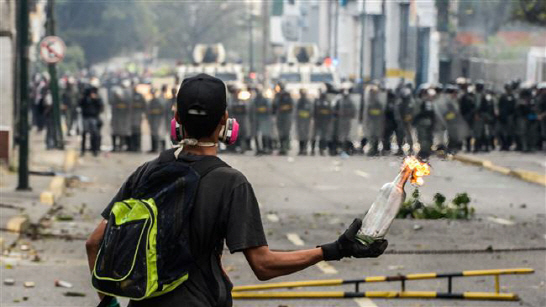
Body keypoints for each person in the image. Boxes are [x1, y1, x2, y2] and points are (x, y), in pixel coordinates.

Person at [85, 74, 388, 307]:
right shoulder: (231, 182)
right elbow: (263, 265)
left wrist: (109, 301)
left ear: (176, 121)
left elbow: (94, 243)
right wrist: (334, 250)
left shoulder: (146, 172)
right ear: (226, 124)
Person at [79, 86, 104, 156]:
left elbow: (101, 106)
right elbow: (80, 104)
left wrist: (95, 99)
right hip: (86, 117)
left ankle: (94, 149)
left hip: (94, 117)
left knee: (94, 134)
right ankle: (83, 150)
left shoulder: (97, 98)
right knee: (84, 133)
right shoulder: (85, 98)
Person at [273, 83, 294, 155]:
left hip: (283, 115)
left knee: (283, 132)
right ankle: (284, 147)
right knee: (284, 132)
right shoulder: (284, 95)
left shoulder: (282, 95)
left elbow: (275, 104)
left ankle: (284, 147)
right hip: (283, 115)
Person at [251, 86, 273, 155]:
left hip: (264, 119)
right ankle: (258, 149)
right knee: (256, 135)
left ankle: (265, 148)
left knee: (264, 134)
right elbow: (252, 110)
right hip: (256, 119)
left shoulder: (265, 100)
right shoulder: (254, 100)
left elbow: (268, 109)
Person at [311, 91, 333, 156]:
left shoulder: (328, 102)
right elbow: (313, 111)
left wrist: (329, 120)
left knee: (323, 137)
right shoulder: (316, 101)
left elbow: (330, 112)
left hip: (324, 122)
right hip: (317, 121)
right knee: (314, 136)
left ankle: (321, 150)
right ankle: (312, 150)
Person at [336, 89, 357, 155]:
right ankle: (341, 149)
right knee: (341, 135)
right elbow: (335, 109)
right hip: (341, 120)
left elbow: (353, 111)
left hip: (347, 120)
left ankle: (345, 149)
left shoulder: (350, 101)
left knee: (346, 135)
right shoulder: (339, 100)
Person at [497, 83, 517, 151]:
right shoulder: (502, 97)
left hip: (510, 116)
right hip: (503, 116)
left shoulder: (513, 97)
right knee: (501, 131)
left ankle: (508, 144)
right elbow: (499, 106)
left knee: (509, 132)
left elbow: (514, 106)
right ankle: (503, 144)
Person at [147, 88, 165, 153]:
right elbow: (148, 111)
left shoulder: (159, 101)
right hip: (152, 119)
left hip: (158, 119)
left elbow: (162, 111)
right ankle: (153, 147)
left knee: (157, 134)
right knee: (152, 133)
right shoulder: (150, 102)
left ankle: (157, 147)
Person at [129, 81, 146, 152]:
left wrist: (143, 114)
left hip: (138, 116)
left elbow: (144, 105)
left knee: (138, 132)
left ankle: (138, 147)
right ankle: (131, 147)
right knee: (131, 132)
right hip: (130, 117)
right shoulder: (130, 96)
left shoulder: (140, 95)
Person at [295, 88, 313, 155]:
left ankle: (304, 149)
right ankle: (301, 149)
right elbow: (296, 111)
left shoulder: (308, 102)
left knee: (305, 135)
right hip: (300, 121)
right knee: (300, 135)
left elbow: (311, 111)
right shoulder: (299, 102)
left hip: (306, 121)